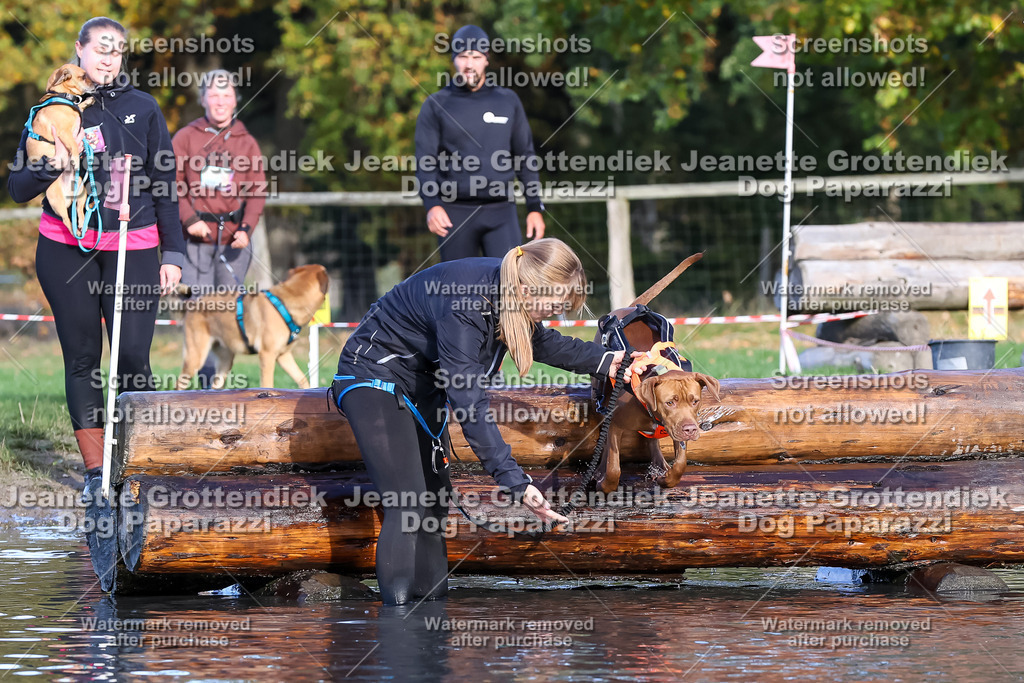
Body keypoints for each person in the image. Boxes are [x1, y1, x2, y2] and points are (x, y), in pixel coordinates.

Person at [330, 238, 634, 605]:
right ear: (526, 288)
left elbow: (544, 342)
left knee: (435, 502)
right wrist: (513, 480)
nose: (553, 313)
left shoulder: (509, 285)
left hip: (422, 386)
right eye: (552, 305)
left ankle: (431, 616)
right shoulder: (466, 305)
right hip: (372, 377)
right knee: (407, 502)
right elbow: (469, 401)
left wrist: (610, 361)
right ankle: (397, 628)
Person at [7, 17, 184, 481]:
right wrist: (49, 167)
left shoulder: (143, 108)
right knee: (82, 358)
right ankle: (95, 472)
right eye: (101, 48)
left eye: (117, 50)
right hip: (65, 248)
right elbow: (17, 187)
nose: (109, 58)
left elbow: (165, 182)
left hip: (134, 244)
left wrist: (176, 253)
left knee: (131, 356)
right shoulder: (52, 108)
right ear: (79, 52)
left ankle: (140, 461)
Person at [414, 24, 546, 261]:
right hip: (454, 214)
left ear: (486, 59)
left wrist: (535, 207)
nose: (469, 64)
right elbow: (425, 162)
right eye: (462, 56)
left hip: (502, 212)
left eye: (475, 56)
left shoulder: (507, 101)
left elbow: (524, 157)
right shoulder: (436, 105)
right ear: (454, 60)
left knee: (508, 288)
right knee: (458, 292)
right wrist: (432, 204)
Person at [172, 69, 267, 388]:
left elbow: (257, 190)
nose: (220, 102)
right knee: (200, 312)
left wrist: (247, 228)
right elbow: (173, 185)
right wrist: (190, 220)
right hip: (196, 239)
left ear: (236, 101)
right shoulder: (186, 137)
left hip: (234, 243)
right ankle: (199, 386)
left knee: (229, 313)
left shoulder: (247, 142)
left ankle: (219, 389)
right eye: (214, 95)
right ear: (203, 99)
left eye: (227, 96)